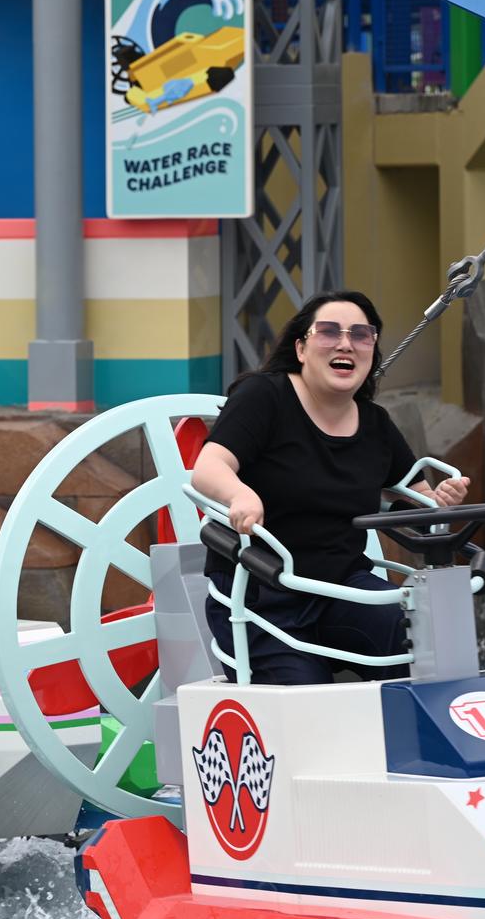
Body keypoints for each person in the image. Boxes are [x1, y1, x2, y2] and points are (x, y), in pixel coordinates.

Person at [191, 290, 470, 685]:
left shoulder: (376, 424)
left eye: (360, 334)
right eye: (328, 332)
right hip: (261, 593)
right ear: (301, 348)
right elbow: (208, 467)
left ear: (372, 351)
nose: (345, 343)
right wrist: (240, 495)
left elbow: (417, 497)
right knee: (306, 697)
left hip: (343, 587)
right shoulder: (264, 396)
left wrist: (440, 500)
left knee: (421, 645)